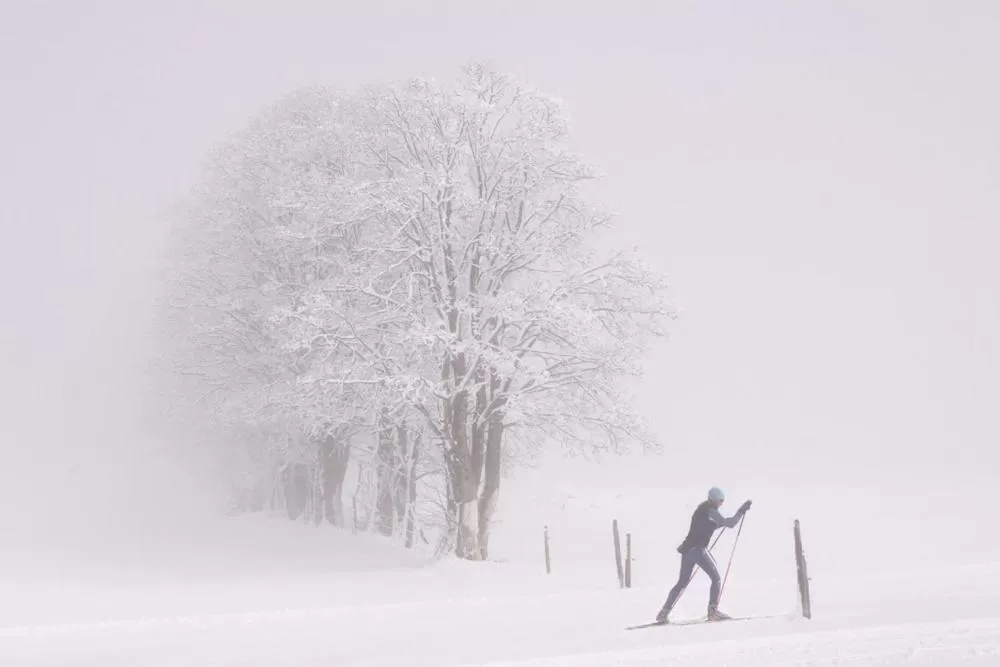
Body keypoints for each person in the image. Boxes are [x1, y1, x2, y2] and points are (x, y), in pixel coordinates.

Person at [655, 487, 752, 623]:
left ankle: (663, 613)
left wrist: (720, 523)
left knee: (682, 582)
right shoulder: (711, 511)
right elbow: (730, 524)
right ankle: (713, 612)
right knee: (716, 578)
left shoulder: (702, 509)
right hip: (697, 551)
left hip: (687, 550)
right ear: (714, 500)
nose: (722, 503)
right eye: (721, 500)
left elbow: (709, 525)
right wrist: (741, 511)